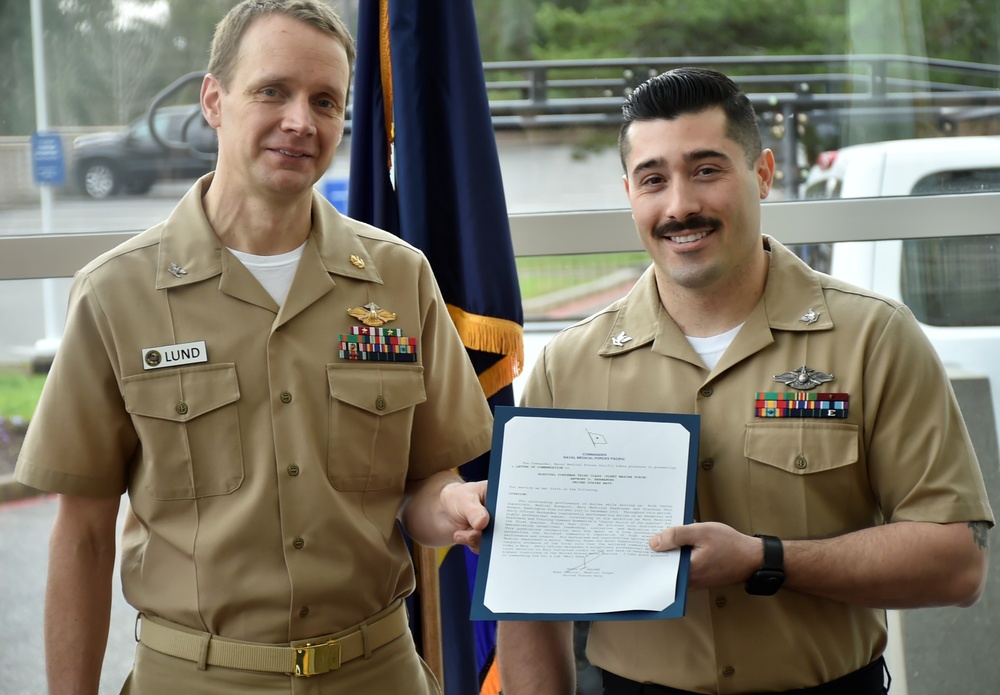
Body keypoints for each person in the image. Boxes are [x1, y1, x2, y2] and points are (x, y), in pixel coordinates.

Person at [14, 1, 494, 693]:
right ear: (214, 100)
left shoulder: (399, 277)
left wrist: (450, 506)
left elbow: (427, 480)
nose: (301, 120)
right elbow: (84, 534)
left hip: (377, 672)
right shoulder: (116, 293)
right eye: (273, 90)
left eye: (325, 100)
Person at [497, 67, 994, 695]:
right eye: (654, 180)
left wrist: (767, 560)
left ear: (762, 172)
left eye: (707, 170)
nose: (680, 206)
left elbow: (956, 566)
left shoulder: (875, 337)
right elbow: (530, 598)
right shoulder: (569, 366)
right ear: (629, 193)